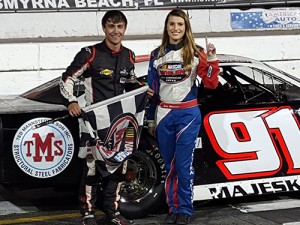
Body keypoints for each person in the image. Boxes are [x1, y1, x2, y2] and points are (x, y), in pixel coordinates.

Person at [59, 10, 136, 225]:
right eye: (111, 26)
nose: (115, 31)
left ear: (125, 29)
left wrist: (143, 89)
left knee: (119, 167)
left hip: (118, 124)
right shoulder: (90, 53)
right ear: (104, 28)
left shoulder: (129, 55)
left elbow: (130, 84)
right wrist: (72, 101)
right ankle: (88, 212)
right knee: (91, 169)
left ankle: (113, 210)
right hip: (92, 123)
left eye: (119, 27)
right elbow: (67, 79)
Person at [147, 9, 220, 225]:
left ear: (186, 27)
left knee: (183, 165)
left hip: (188, 114)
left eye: (180, 24)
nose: (175, 28)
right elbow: (152, 89)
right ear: (166, 27)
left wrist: (213, 59)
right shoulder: (156, 54)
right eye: (172, 24)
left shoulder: (196, 52)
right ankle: (173, 208)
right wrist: (150, 118)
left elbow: (211, 84)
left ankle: (186, 209)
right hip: (163, 114)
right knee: (169, 165)